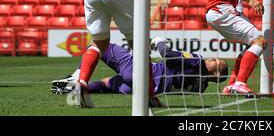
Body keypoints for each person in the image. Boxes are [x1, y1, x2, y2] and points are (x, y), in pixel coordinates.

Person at [51, 38, 228, 96]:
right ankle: (73, 89)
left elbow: (167, 55)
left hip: (143, 73)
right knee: (105, 84)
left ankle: (75, 78)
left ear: (214, 73)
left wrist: (160, 42)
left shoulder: (197, 62)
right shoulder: (201, 88)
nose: (213, 58)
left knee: (99, 44)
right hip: (144, 90)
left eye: (217, 62)